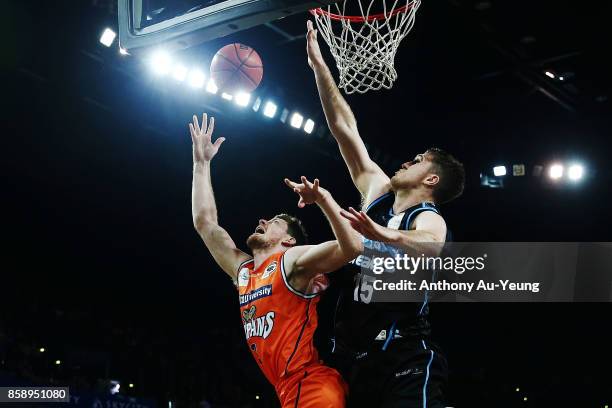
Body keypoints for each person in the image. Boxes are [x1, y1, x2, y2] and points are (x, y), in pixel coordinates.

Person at [306, 20, 466, 408]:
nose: (406, 161)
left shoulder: (427, 218)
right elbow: (345, 128)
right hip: (349, 352)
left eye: (417, 161)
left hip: (403, 354)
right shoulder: (376, 191)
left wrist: (382, 235)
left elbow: (431, 246)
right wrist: (319, 67)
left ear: (430, 178)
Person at [189, 113, 361, 407]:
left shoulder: (291, 260)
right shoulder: (245, 273)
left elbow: (352, 247)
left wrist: (323, 200)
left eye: (274, 221)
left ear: (289, 240)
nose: (262, 220)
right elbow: (205, 224)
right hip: (285, 389)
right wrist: (201, 164)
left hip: (312, 384)